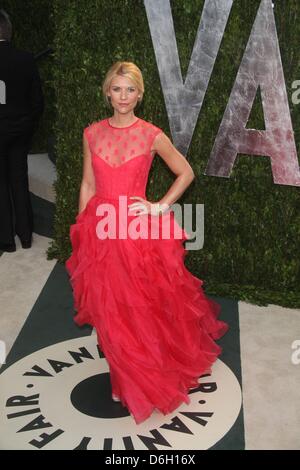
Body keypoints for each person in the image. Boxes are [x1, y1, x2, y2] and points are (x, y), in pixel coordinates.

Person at [65, 61, 228, 424]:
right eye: (117, 89)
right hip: (101, 230)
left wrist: (159, 207)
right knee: (109, 309)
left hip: (138, 234)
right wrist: (81, 229)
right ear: (107, 92)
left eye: (131, 90)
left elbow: (185, 172)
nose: (123, 96)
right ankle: (124, 376)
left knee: (139, 307)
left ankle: (138, 377)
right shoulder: (91, 133)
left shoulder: (152, 134)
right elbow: (88, 185)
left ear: (140, 94)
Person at [0, 9, 44, 252]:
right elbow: (38, 101)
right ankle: (26, 236)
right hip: (20, 132)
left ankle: (6, 240)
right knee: (19, 179)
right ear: (9, 31)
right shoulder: (26, 59)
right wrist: (28, 125)